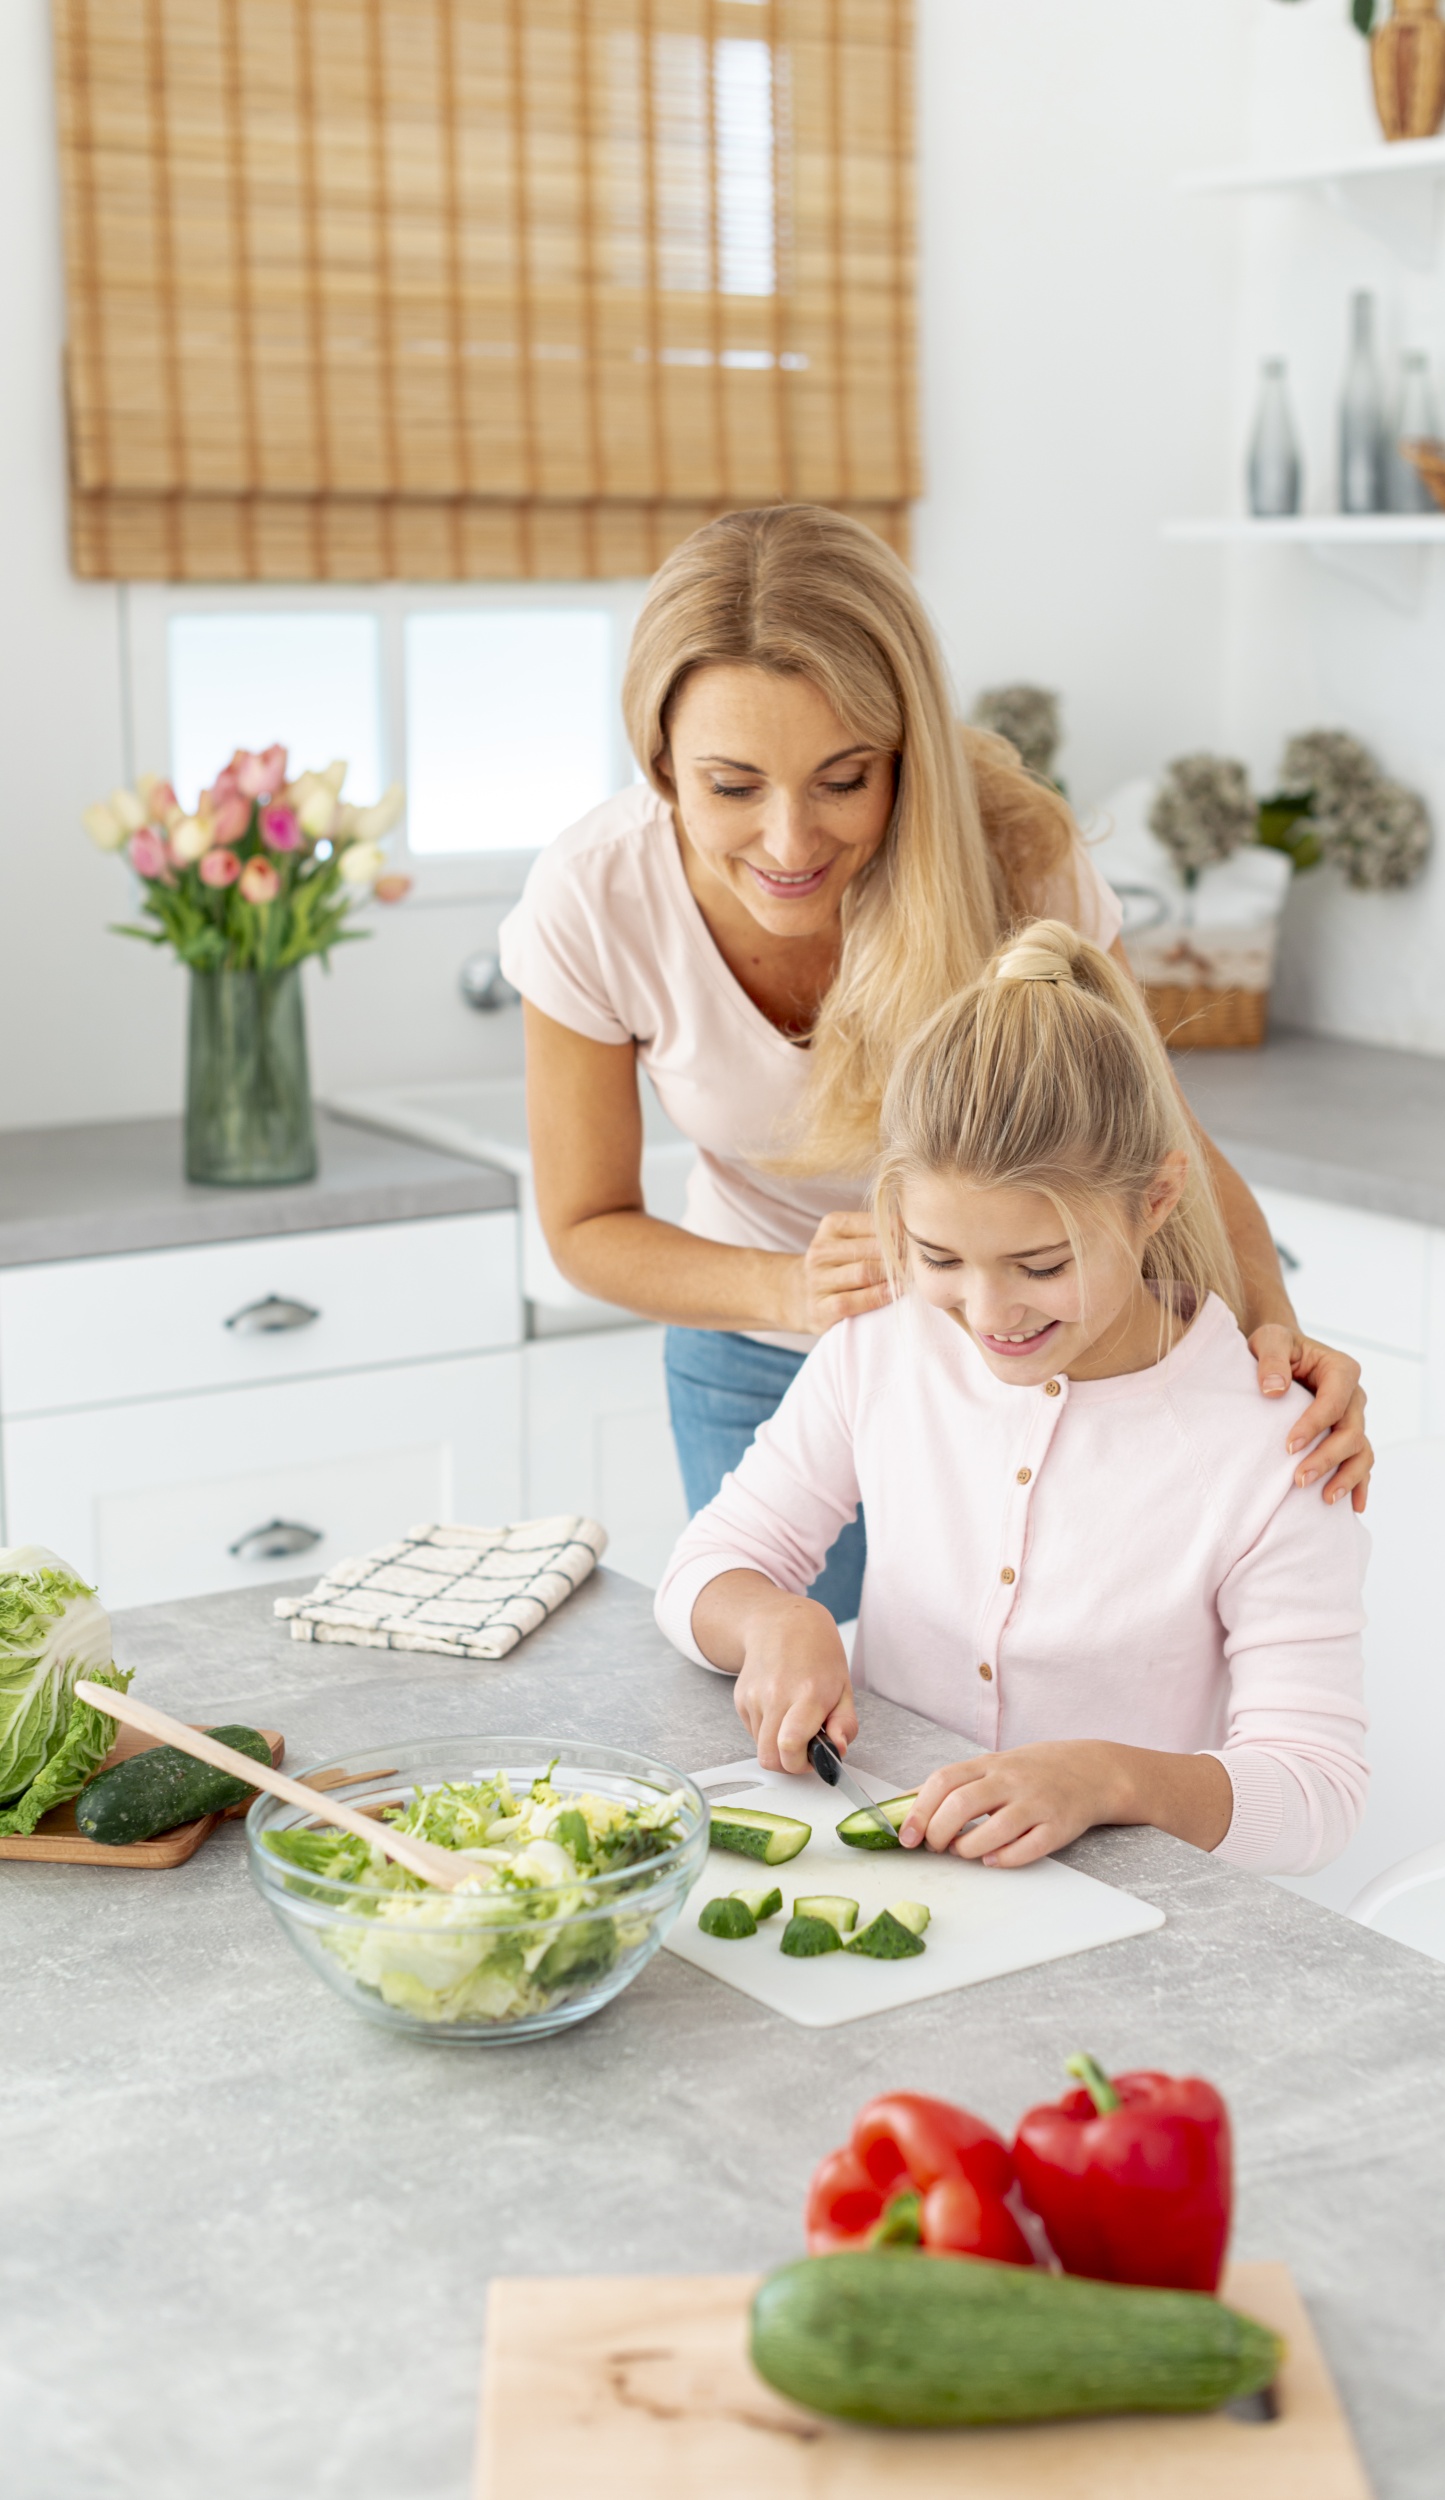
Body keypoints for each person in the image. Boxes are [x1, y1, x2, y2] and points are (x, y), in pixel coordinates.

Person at [500, 505, 1372, 1623]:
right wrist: (793, 1291)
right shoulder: (595, 896)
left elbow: (1161, 1141)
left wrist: (1275, 1340)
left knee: (1001, 1717)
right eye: (732, 786)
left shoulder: (1013, 857)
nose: (789, 841)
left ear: (904, 749)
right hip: (758, 1358)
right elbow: (584, 1226)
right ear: (661, 761)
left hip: (1020, 1344)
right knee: (784, 1704)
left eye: (843, 778)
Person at [653, 924, 1369, 1878]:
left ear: (1155, 1198)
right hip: (893, 1875)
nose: (987, 1316)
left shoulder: (1277, 1444)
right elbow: (707, 1565)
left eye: (1041, 1265)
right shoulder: (881, 1347)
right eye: (940, 1258)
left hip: (1130, 1920)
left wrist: (1113, 1780)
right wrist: (775, 1621)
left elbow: (1318, 1794)